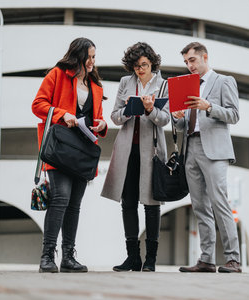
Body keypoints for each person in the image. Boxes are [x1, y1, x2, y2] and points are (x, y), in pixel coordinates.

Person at [32, 37, 108, 273]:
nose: (93, 62)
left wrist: (102, 125)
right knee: (61, 199)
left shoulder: (96, 86)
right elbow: (38, 105)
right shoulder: (57, 75)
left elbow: (98, 119)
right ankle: (47, 256)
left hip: (82, 151)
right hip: (59, 148)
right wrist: (62, 114)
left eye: (95, 57)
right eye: (90, 57)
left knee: (74, 205)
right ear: (79, 55)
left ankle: (68, 257)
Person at [172, 42, 242, 273]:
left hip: (214, 149)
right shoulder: (186, 85)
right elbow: (184, 125)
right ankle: (206, 260)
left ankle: (233, 259)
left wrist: (208, 106)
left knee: (219, 203)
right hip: (190, 147)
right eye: (186, 62)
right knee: (200, 206)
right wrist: (178, 117)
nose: (189, 65)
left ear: (204, 57)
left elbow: (233, 115)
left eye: (192, 60)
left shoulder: (224, 81)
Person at [101, 42, 170, 272]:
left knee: (151, 203)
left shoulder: (163, 85)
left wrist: (150, 110)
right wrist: (130, 109)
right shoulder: (125, 82)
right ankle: (133, 258)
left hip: (151, 150)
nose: (140, 70)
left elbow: (165, 119)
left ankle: (151, 260)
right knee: (128, 202)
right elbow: (114, 117)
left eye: (144, 65)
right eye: (135, 66)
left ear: (152, 63)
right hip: (127, 149)